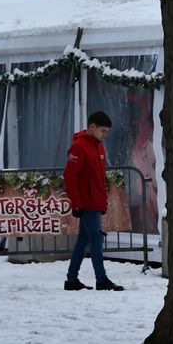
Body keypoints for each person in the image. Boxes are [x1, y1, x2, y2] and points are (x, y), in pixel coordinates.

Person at [63, 111, 123, 291]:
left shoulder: (99, 147)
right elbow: (70, 177)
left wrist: (102, 202)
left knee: (83, 240)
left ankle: (71, 280)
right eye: (103, 131)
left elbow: (99, 178)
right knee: (96, 239)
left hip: (94, 201)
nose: (105, 135)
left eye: (107, 132)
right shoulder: (79, 147)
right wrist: (77, 203)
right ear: (92, 127)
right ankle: (101, 279)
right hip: (86, 203)